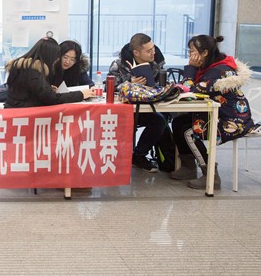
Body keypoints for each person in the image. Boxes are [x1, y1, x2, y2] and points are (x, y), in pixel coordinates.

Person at [170, 35, 254, 189]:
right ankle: (188, 167)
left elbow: (191, 91)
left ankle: (211, 176)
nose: (190, 55)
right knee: (178, 122)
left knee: (188, 131)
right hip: (216, 115)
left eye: (192, 51)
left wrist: (190, 68)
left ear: (205, 53)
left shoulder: (220, 70)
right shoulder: (211, 66)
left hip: (232, 122)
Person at [108, 33, 167, 172]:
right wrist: (129, 83)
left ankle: (139, 155)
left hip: (148, 107)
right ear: (136, 53)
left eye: (153, 48)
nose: (153, 53)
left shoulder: (156, 63)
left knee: (159, 121)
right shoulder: (119, 64)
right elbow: (109, 89)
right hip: (124, 110)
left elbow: (163, 85)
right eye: (148, 51)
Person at [4, 37, 96, 108]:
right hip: (23, 114)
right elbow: (52, 98)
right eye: (64, 57)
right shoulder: (33, 71)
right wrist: (81, 94)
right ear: (49, 55)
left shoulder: (26, 67)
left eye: (72, 59)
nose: (57, 60)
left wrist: (48, 89)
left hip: (19, 112)